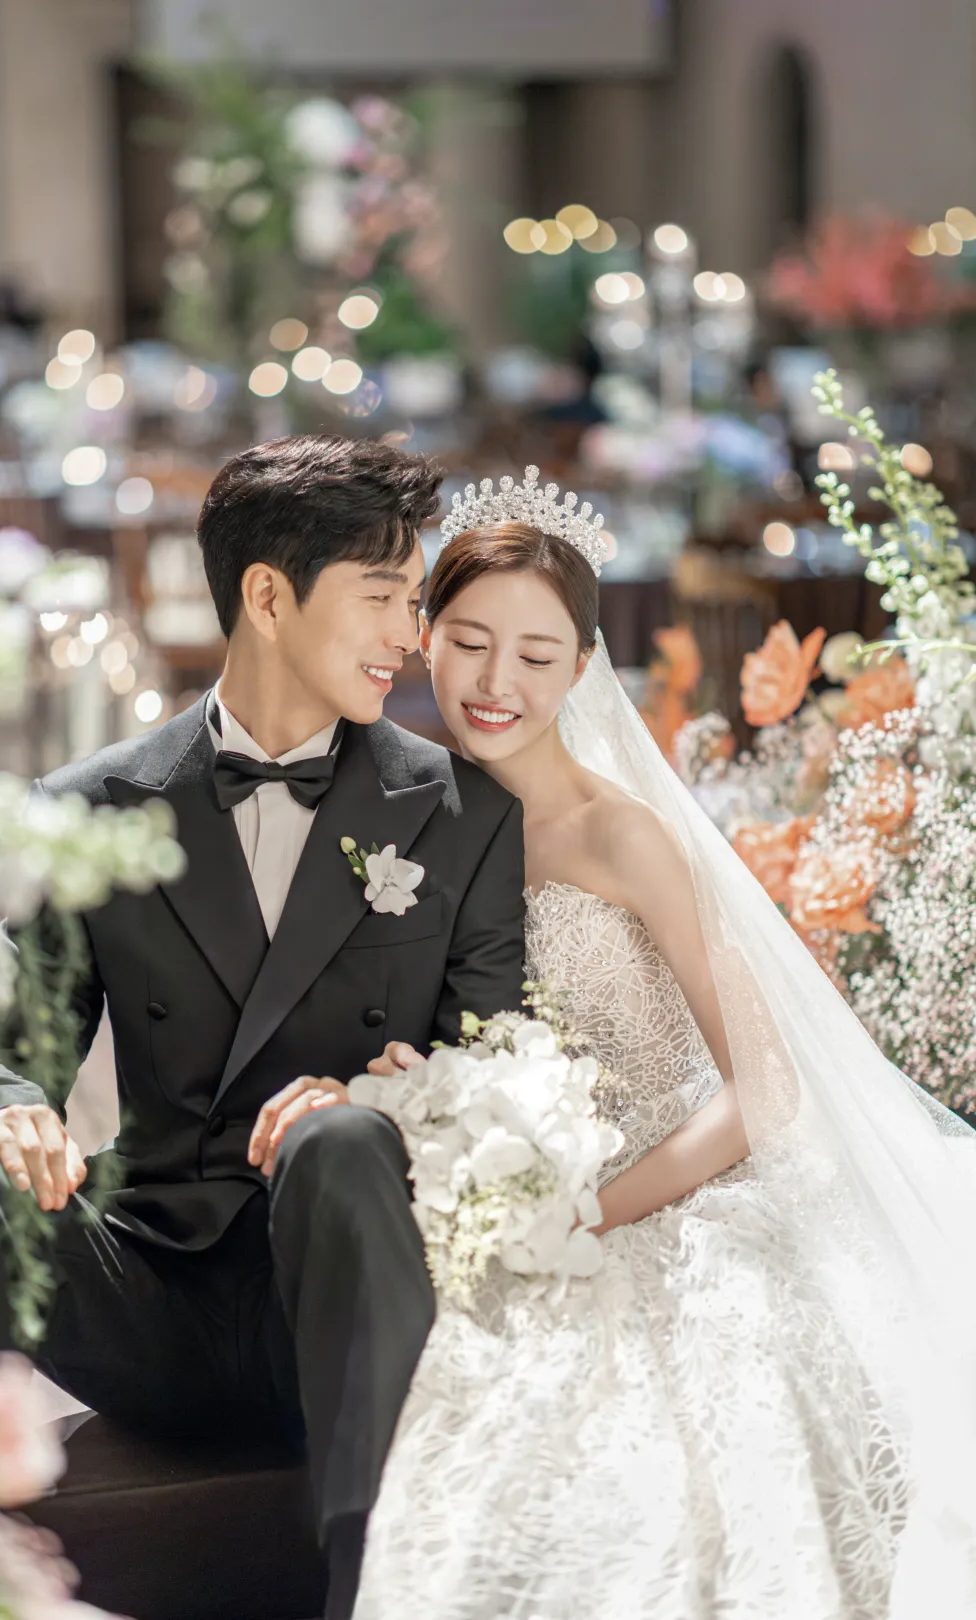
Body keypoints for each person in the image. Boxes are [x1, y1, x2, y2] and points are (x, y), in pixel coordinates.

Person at [355, 468, 976, 1619]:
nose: (495, 683)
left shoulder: (621, 834)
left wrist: (594, 1211)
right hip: (510, 1193)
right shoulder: (406, 824)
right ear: (424, 638)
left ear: (584, 668)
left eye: (537, 656)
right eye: (470, 644)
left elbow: (765, 1088)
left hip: (684, 1189)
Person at [0, 436, 527, 1620]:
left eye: (414, 600)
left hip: (332, 1304)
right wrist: (9, 1110)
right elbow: (9, 1040)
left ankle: (373, 1589)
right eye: (383, 596)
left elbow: (500, 1070)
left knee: (343, 1140)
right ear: (267, 597)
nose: (411, 633)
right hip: (143, 1295)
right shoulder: (91, 807)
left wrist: (378, 1100)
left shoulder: (462, 812)